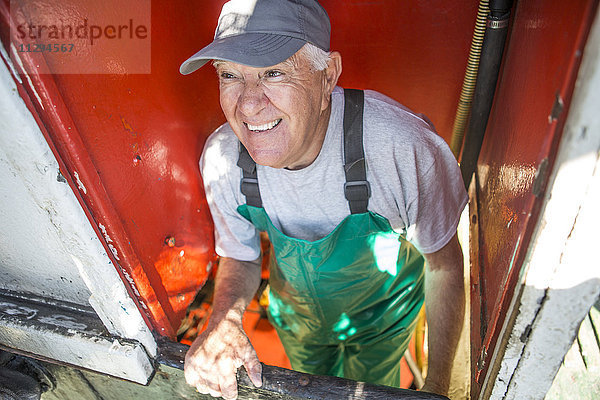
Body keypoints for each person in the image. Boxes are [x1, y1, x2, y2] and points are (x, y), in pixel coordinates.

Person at [180, 0, 467, 399]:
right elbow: (241, 256)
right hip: (298, 321)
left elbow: (445, 269)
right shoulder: (223, 159)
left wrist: (436, 387)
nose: (247, 104)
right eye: (230, 75)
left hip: (383, 322)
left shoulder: (402, 149)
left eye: (273, 72)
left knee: (375, 389)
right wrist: (224, 319)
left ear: (327, 75)